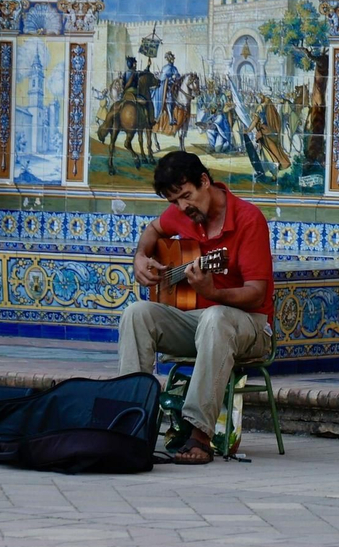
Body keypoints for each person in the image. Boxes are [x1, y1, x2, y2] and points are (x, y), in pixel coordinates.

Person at [118, 151, 275, 464]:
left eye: (186, 196)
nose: (182, 208)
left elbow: (257, 295)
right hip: (198, 324)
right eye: (175, 201)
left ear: (205, 181)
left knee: (216, 318)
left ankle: (199, 433)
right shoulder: (183, 213)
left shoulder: (248, 219)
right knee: (136, 313)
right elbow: (152, 231)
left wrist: (212, 291)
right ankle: (129, 421)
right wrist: (140, 257)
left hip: (250, 325)